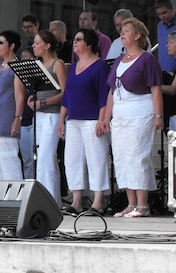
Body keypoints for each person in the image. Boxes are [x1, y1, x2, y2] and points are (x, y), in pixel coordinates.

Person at [101, 18, 163, 218]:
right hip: (120, 113)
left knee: (137, 156)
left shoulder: (147, 59)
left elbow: (156, 90)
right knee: (121, 157)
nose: (122, 33)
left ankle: (143, 205)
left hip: (140, 112)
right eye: (122, 30)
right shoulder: (119, 60)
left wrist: (158, 115)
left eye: (127, 30)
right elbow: (112, 91)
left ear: (138, 35)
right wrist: (106, 117)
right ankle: (131, 203)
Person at [57, 29, 110, 215]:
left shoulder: (100, 66)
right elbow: (67, 96)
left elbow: (105, 95)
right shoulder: (74, 66)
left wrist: (102, 119)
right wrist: (61, 119)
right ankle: (77, 200)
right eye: (74, 39)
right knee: (72, 161)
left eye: (79, 39)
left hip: (92, 119)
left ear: (88, 43)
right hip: (73, 120)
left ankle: (98, 201)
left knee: (96, 159)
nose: (74, 42)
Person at [27, 30, 67, 206]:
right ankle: (48, 199)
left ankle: (50, 201)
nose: (34, 46)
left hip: (52, 114)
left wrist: (44, 102)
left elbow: (65, 93)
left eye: (37, 43)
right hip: (40, 116)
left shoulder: (58, 64)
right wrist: (33, 99)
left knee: (46, 157)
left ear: (47, 45)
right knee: (42, 158)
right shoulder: (38, 64)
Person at [0, 30, 26, 180]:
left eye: (1, 43)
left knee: (9, 160)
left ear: (12, 45)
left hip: (7, 118)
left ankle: (15, 198)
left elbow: (20, 96)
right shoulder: (0, 67)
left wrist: (17, 118)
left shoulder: (17, 66)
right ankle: (2, 197)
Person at [17, 46, 36, 179]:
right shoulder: (18, 77)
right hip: (23, 122)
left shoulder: (37, 76)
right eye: (22, 57)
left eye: (27, 56)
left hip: (35, 120)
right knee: (26, 159)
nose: (24, 59)